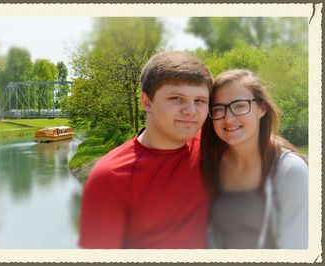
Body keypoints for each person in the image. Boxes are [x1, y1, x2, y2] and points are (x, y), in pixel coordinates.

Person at [78, 51, 213, 248]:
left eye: (200, 101)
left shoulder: (211, 146)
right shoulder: (110, 177)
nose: (191, 111)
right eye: (177, 98)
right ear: (147, 102)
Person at [201, 69, 308, 249]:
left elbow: (295, 249)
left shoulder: (290, 171)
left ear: (262, 108)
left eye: (240, 105)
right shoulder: (213, 162)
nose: (228, 118)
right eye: (219, 109)